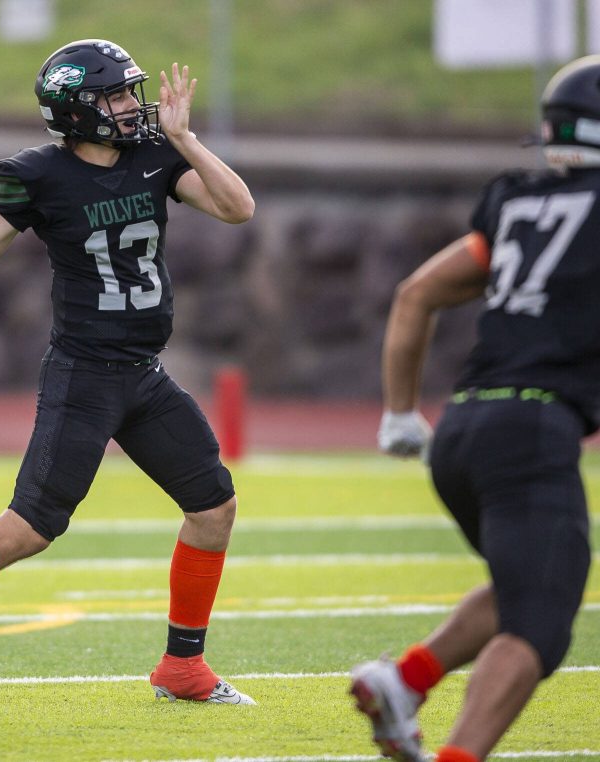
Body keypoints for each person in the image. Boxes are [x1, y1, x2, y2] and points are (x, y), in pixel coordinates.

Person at [0, 38, 256, 709]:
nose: (130, 106)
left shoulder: (157, 155)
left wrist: (188, 139)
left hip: (144, 375)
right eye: (115, 96)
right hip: (85, 375)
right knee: (28, 528)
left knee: (213, 509)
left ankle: (183, 667)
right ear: (76, 109)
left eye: (129, 92)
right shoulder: (38, 175)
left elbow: (238, 207)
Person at [350, 55, 598, 762]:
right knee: (539, 626)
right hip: (532, 428)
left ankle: (405, 680)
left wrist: (401, 412)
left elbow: (415, 293)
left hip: (462, 428)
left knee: (530, 581)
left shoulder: (515, 200)